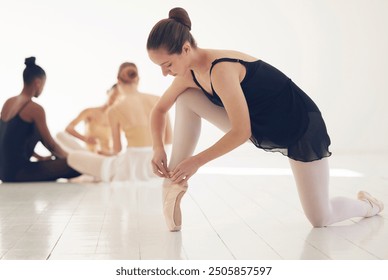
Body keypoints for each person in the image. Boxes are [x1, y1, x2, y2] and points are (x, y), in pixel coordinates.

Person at [146, 8, 384, 231]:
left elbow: (241, 131)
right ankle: (173, 183)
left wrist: (196, 161)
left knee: (320, 218)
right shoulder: (188, 75)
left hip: (299, 126)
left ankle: (368, 206)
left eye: (167, 64)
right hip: (256, 124)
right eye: (160, 67)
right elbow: (159, 110)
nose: (164, 73)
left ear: (186, 49)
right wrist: (158, 148)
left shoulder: (221, 69)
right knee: (186, 97)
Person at [67, 62, 172, 182]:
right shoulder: (158, 99)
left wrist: (106, 154)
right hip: (160, 163)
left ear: (118, 80)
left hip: (130, 168)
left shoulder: (114, 109)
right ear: (138, 79)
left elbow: (117, 149)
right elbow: (169, 139)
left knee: (74, 157)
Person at [0, 57, 80, 182]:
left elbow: (13, 140)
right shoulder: (35, 109)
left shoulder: (8, 103)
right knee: (77, 166)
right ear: (38, 83)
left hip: (4, 172)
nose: (42, 89)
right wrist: (71, 159)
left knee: (35, 129)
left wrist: (40, 158)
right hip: (19, 174)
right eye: (43, 84)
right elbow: (51, 145)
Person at [56, 84, 120, 154]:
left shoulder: (118, 119)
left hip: (106, 155)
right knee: (60, 135)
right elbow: (69, 128)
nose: (115, 98)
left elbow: (117, 146)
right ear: (108, 92)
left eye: (119, 97)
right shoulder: (90, 112)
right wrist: (85, 139)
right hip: (89, 153)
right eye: (114, 94)